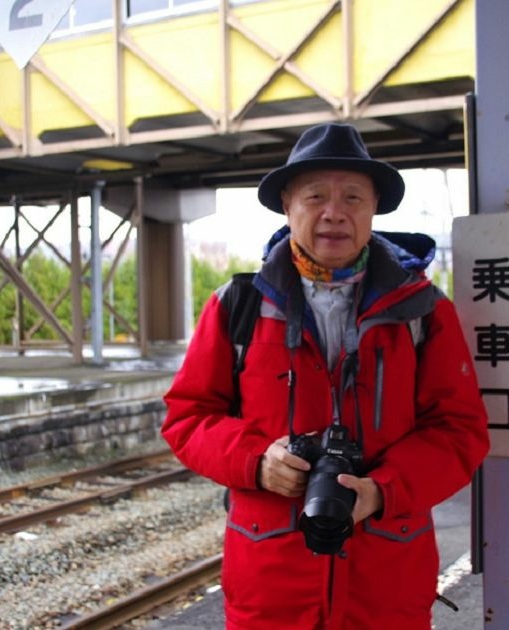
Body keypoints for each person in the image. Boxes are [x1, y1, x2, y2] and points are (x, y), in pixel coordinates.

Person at [162, 123, 489, 629]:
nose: (334, 212)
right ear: (288, 205)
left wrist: (381, 491)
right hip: (271, 587)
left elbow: (460, 431)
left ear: (374, 207)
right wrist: (256, 461)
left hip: (386, 586)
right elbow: (187, 418)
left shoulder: (422, 310)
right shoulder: (238, 306)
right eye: (315, 196)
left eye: (353, 197)